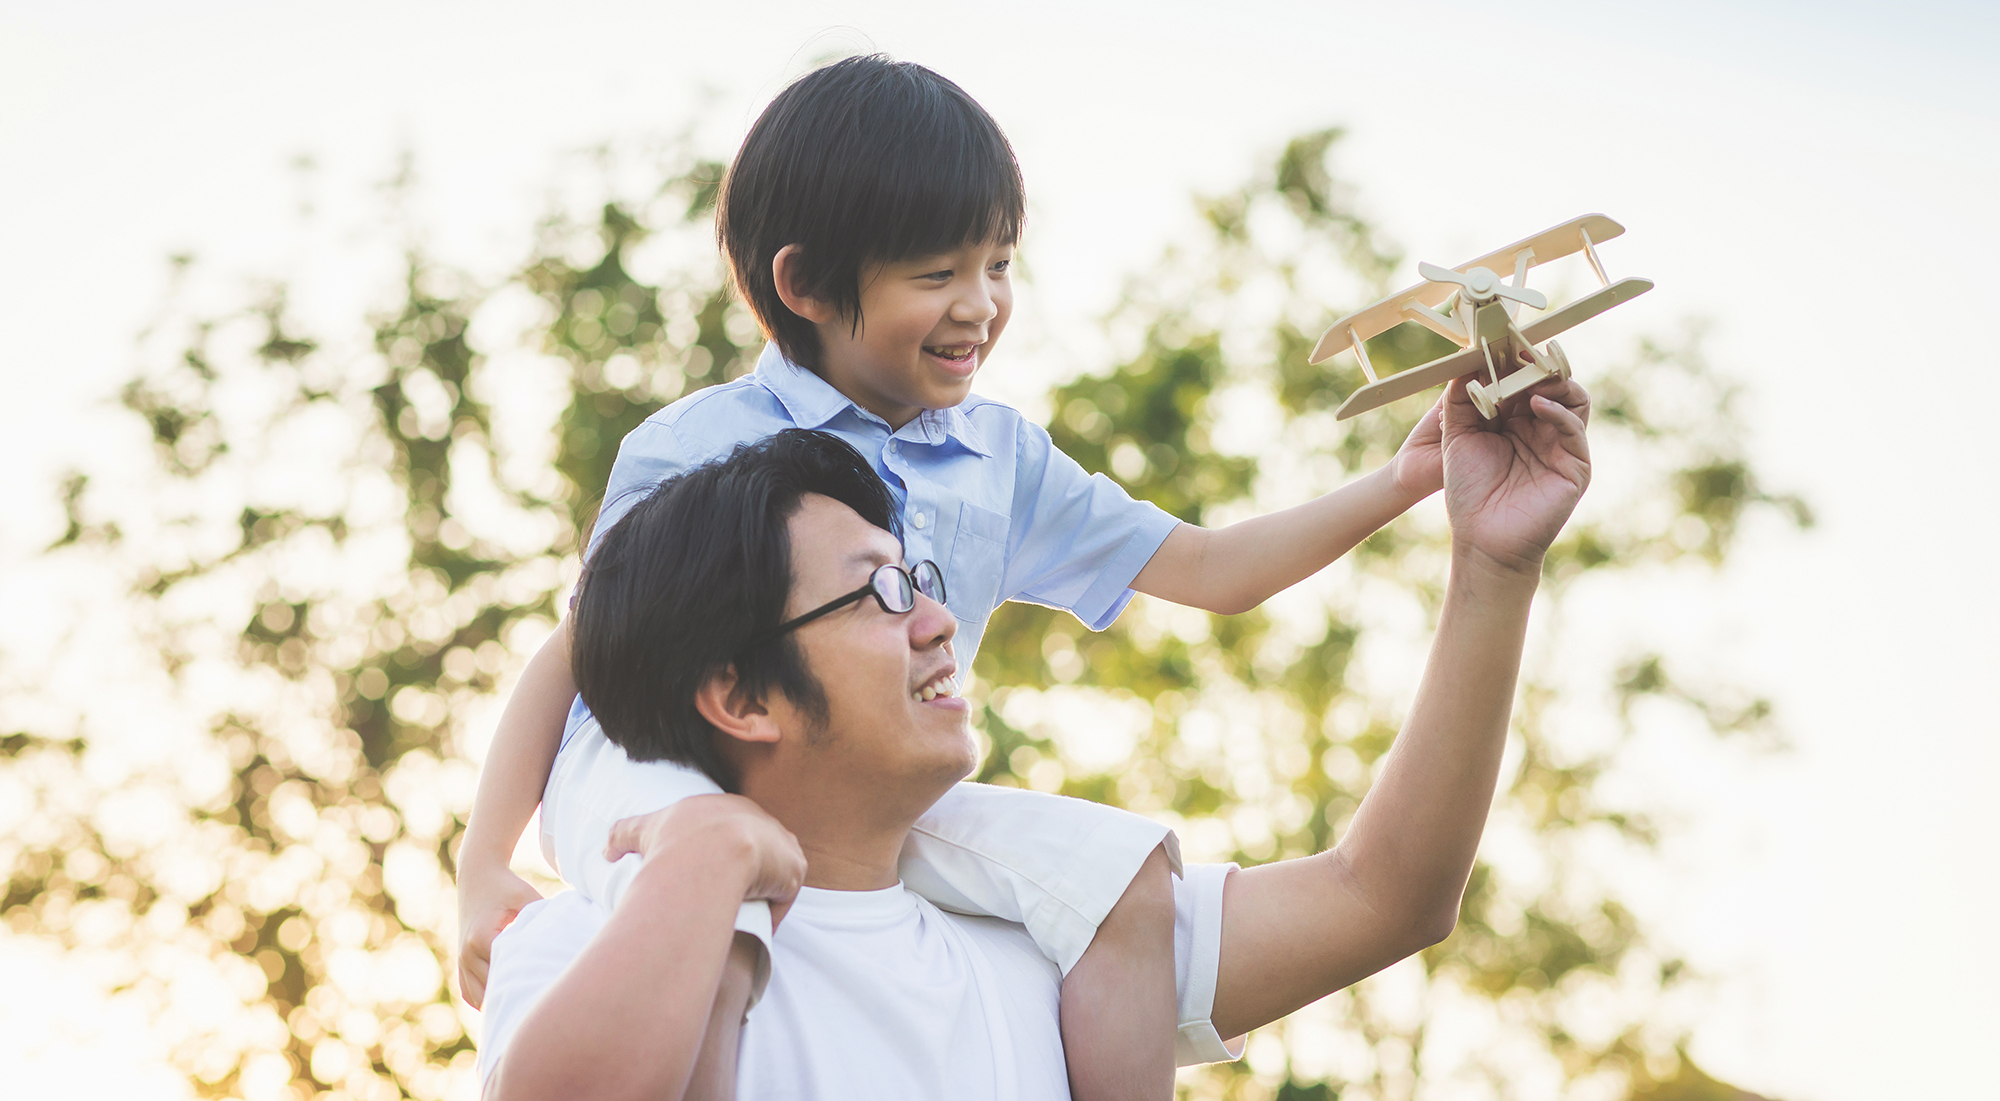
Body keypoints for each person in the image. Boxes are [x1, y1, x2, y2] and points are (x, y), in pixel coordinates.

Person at [457, 54, 1462, 1098]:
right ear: (802, 284)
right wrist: (484, 861)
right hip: (653, 775)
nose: (979, 305)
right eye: (936, 275)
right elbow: (578, 652)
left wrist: (1405, 480)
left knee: (1120, 879)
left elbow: (1211, 569)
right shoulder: (705, 445)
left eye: (997, 264)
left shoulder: (997, 458)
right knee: (722, 879)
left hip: (859, 785)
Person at [479, 392, 1592, 1099]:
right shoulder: (595, 946)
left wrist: (1493, 570)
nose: (937, 618)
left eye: (918, 577)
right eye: (877, 593)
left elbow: (1384, 896)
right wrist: (705, 860)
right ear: (737, 696)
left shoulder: (1051, 939)